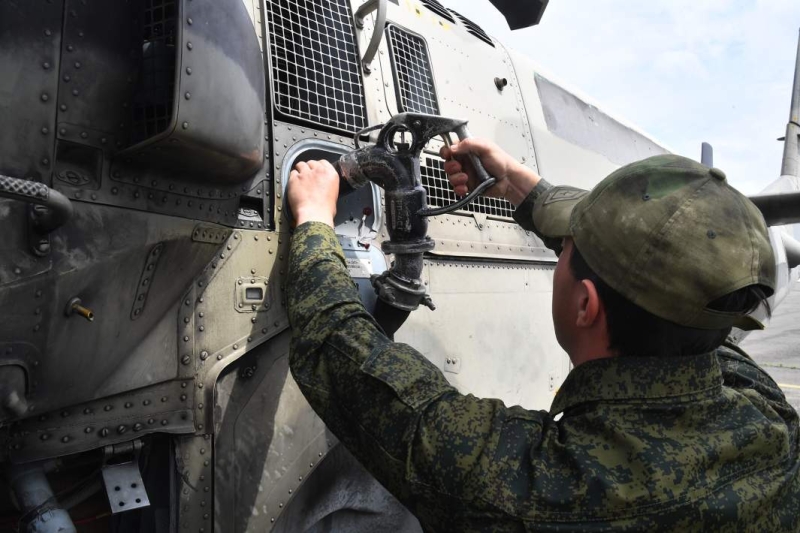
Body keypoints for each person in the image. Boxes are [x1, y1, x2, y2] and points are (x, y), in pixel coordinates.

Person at [285, 139, 800, 532]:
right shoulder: (764, 409)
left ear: (585, 305)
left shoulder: (541, 490)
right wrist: (520, 186)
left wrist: (313, 220)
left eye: (569, 250)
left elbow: (340, 349)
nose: (563, 254)